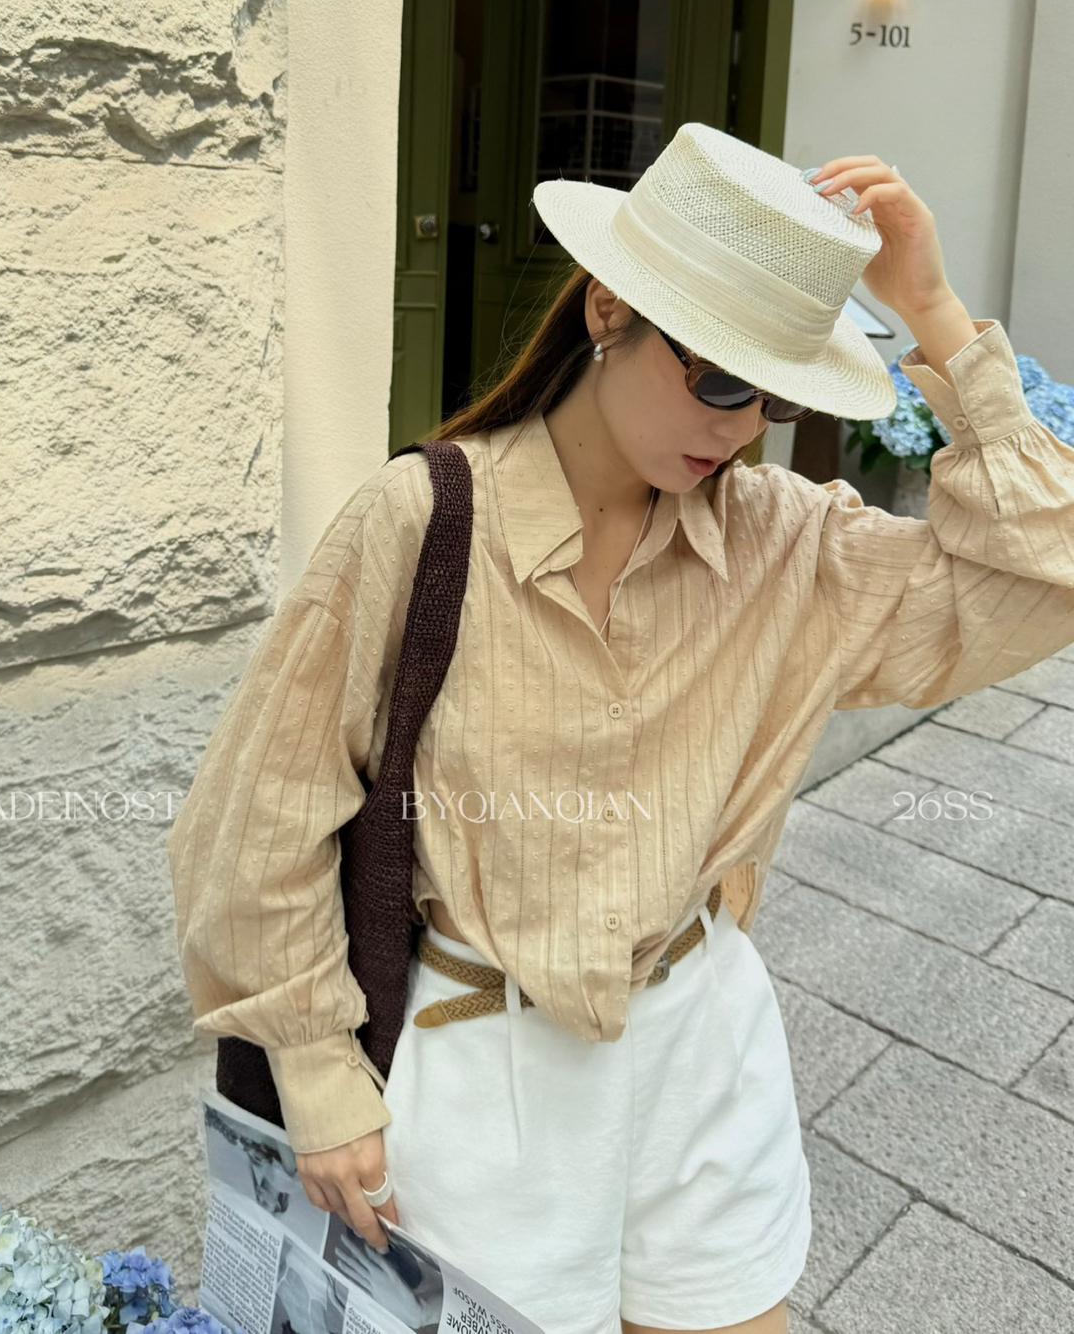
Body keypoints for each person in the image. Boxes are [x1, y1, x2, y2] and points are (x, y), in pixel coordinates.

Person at [167, 124, 1074, 1334]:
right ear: (609, 311)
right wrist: (320, 1075)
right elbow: (259, 816)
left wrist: (939, 317)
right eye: (720, 379)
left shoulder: (787, 542)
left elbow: (1047, 576)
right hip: (484, 1071)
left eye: (776, 395)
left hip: (702, 1038)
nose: (740, 427)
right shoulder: (422, 520)